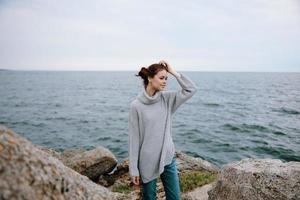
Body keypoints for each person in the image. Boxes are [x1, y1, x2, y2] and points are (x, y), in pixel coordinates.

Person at [128, 60, 198, 200]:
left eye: (166, 78)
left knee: (174, 198)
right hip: (147, 161)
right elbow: (134, 140)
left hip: (168, 157)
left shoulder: (167, 99)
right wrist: (133, 169)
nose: (165, 81)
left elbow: (191, 89)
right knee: (149, 197)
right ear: (149, 78)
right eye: (161, 78)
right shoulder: (136, 106)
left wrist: (174, 72)